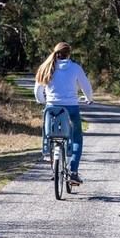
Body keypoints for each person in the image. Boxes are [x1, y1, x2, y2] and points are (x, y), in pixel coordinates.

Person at [34, 42, 93, 185]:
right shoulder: (75, 68)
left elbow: (38, 92)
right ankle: (73, 171)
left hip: (51, 108)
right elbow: (87, 87)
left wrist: (43, 100)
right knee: (77, 138)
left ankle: (50, 156)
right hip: (71, 108)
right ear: (69, 54)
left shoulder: (46, 67)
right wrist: (89, 99)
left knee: (50, 133)